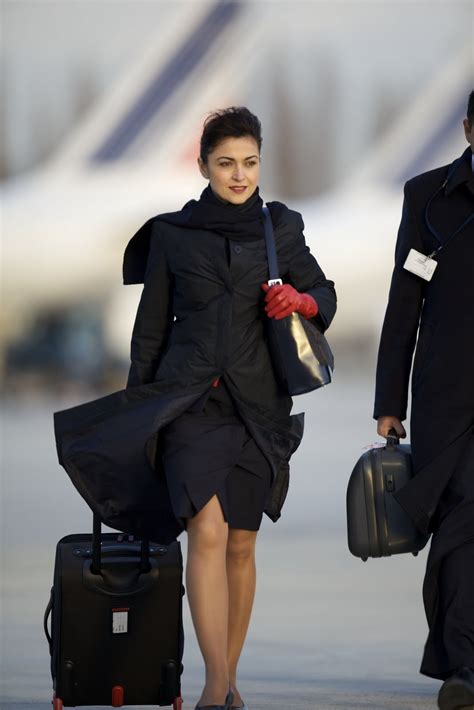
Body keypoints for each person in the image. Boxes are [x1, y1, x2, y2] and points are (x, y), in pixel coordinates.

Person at [54, 106, 336, 710]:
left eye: (250, 163)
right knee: (205, 532)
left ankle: (231, 678)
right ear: (203, 164)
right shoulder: (173, 235)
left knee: (241, 544)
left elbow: (325, 292)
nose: (240, 175)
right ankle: (213, 683)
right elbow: (149, 331)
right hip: (189, 403)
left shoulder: (281, 228)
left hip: (259, 407)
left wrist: (303, 301)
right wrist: (137, 413)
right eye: (227, 163)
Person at [374, 91, 474, 710]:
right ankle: (464, 665)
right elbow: (403, 303)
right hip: (446, 397)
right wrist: (390, 399)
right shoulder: (428, 197)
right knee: (461, 525)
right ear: (468, 129)